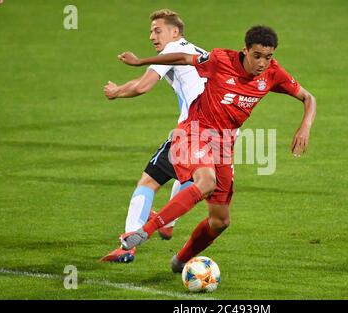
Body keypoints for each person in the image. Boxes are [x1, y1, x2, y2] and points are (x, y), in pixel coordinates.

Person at [118, 25, 317, 273]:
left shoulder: (273, 73)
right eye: (257, 56)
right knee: (206, 182)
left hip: (223, 146)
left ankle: (180, 261)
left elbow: (309, 98)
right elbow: (182, 57)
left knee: (220, 221)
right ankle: (146, 231)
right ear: (245, 50)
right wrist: (141, 62)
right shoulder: (221, 59)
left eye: (268, 57)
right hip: (195, 132)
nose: (262, 63)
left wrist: (305, 126)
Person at [101, 9, 207, 263]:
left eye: (157, 30)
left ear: (175, 32)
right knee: (196, 174)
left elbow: (142, 86)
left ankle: (127, 247)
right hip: (222, 134)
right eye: (151, 31)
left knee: (148, 182)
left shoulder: (171, 52)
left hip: (193, 130)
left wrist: (115, 92)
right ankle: (169, 222)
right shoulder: (200, 52)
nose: (152, 36)